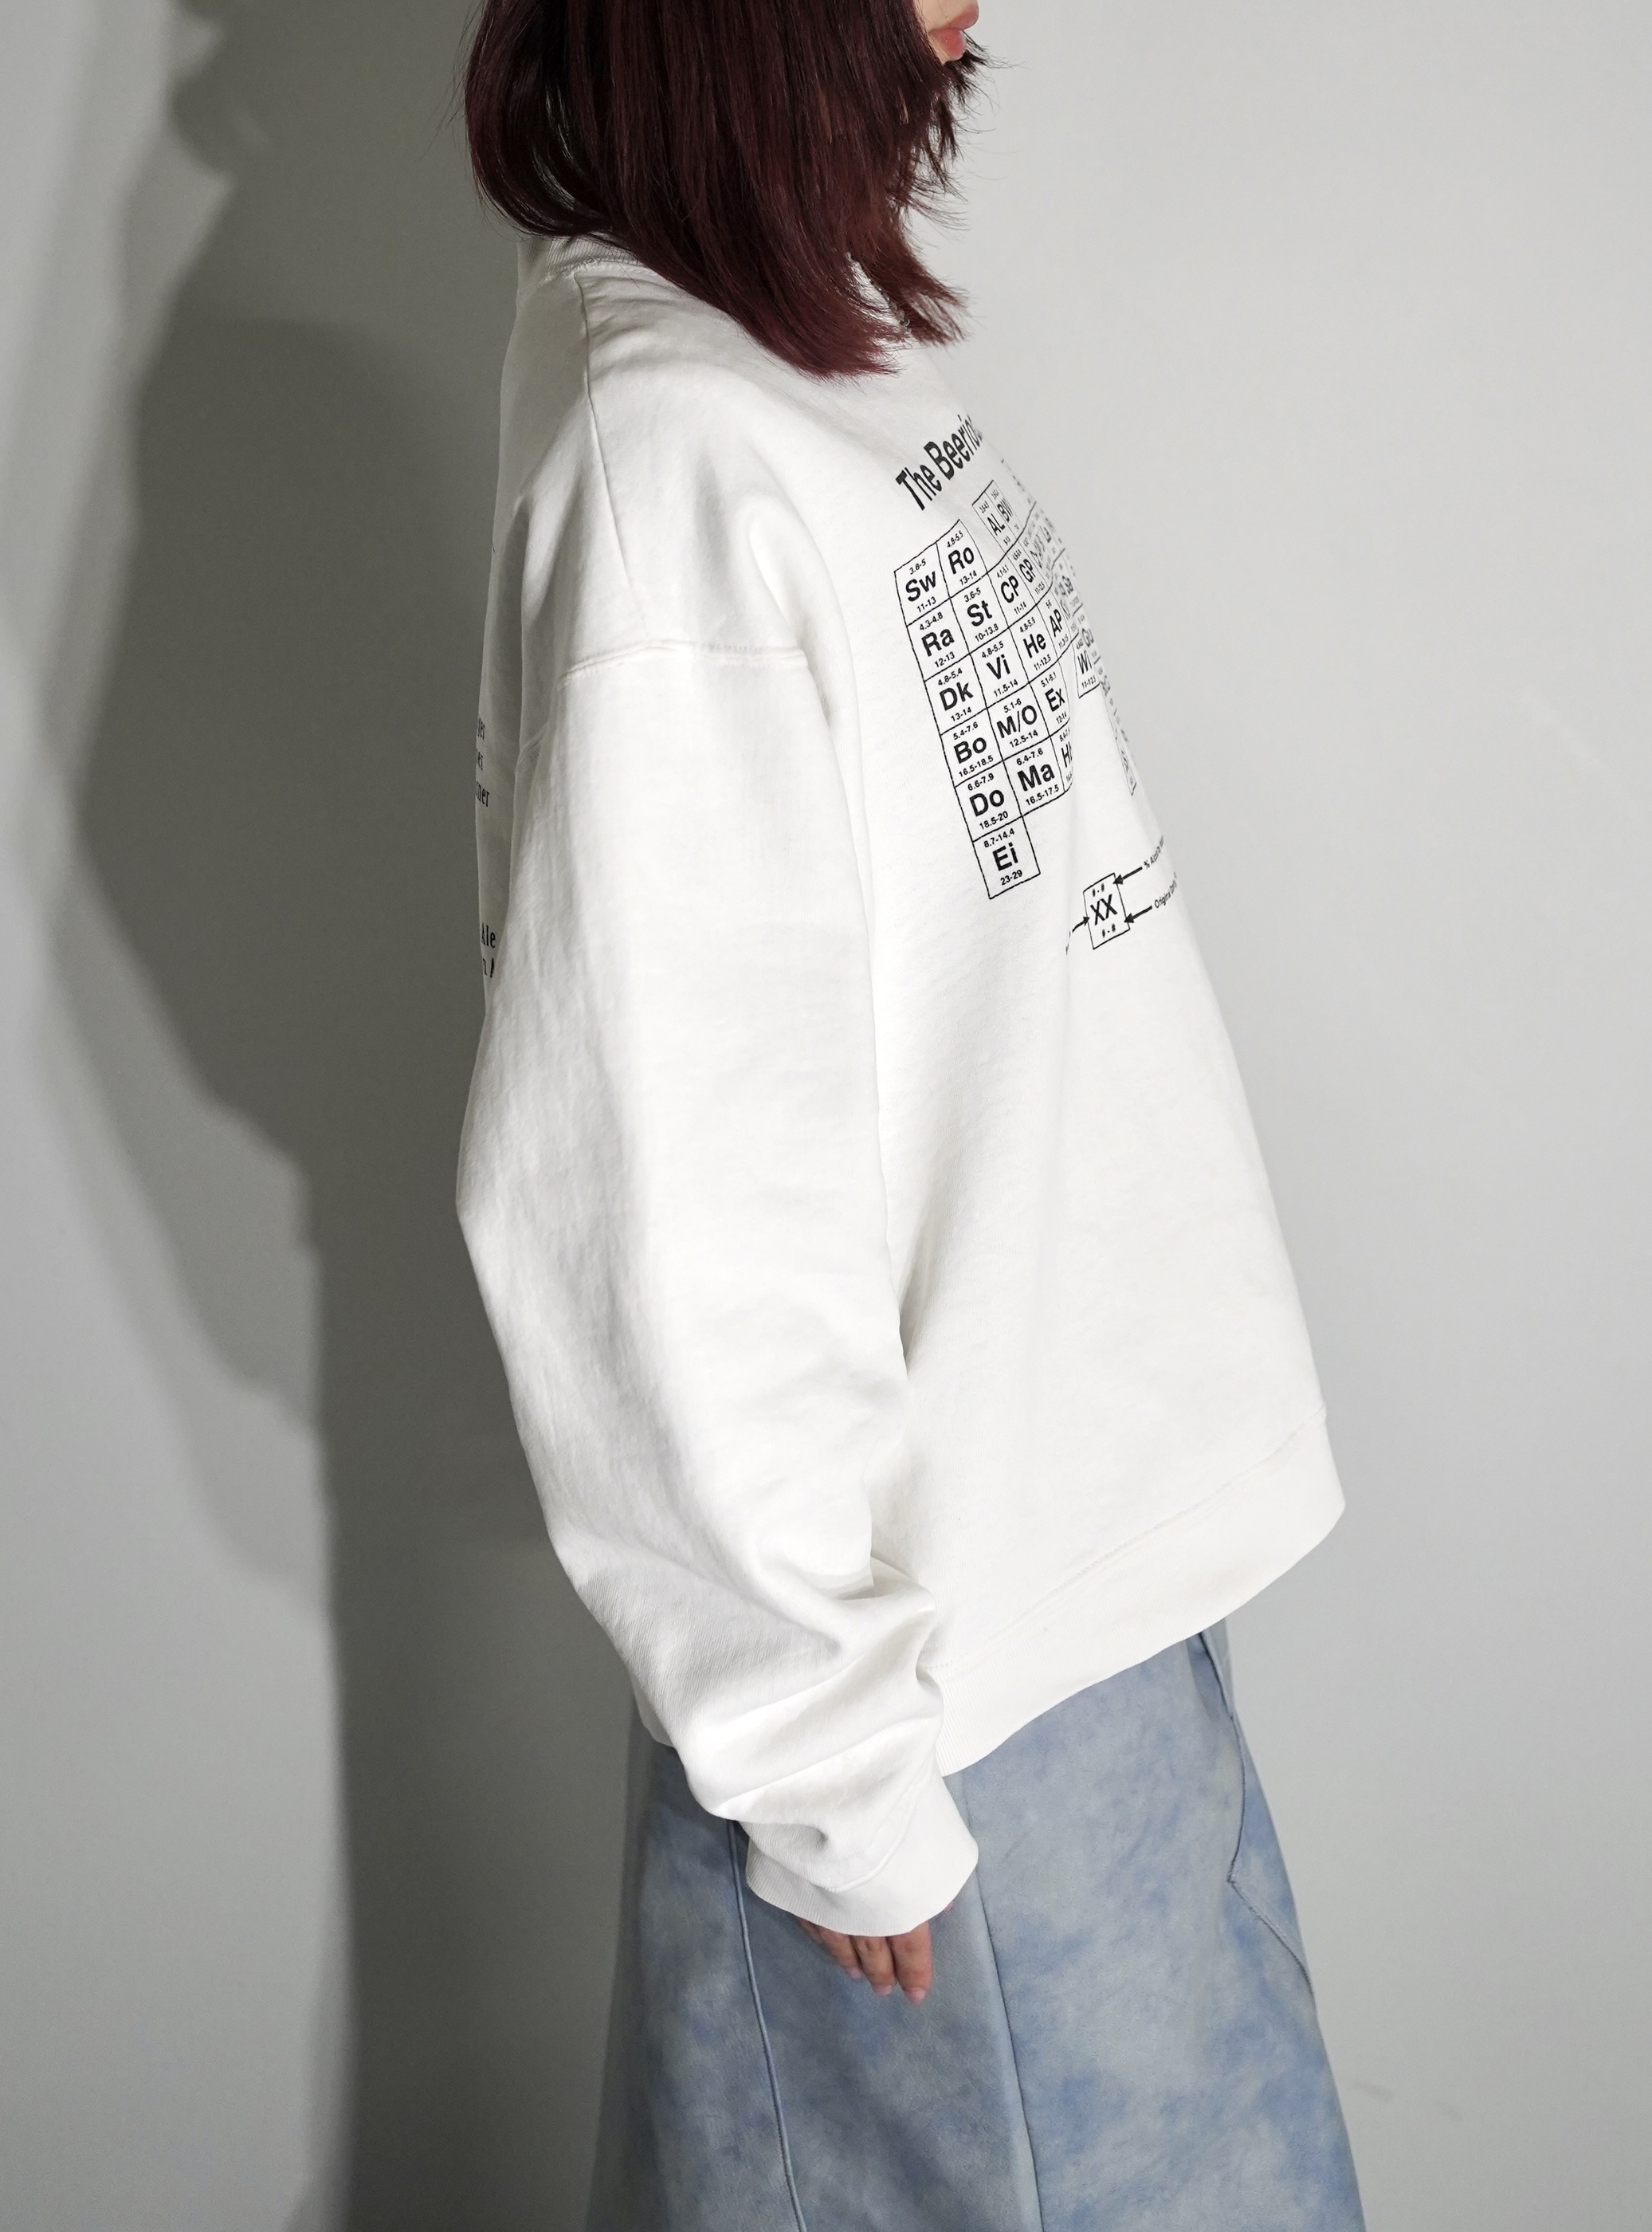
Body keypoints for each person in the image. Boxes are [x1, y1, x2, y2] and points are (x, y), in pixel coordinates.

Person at [455, 0, 1366, 2222]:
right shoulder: (678, 459)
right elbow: (660, 1193)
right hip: (945, 1687)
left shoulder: (776, 348)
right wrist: (828, 1760)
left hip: (1066, 1589)